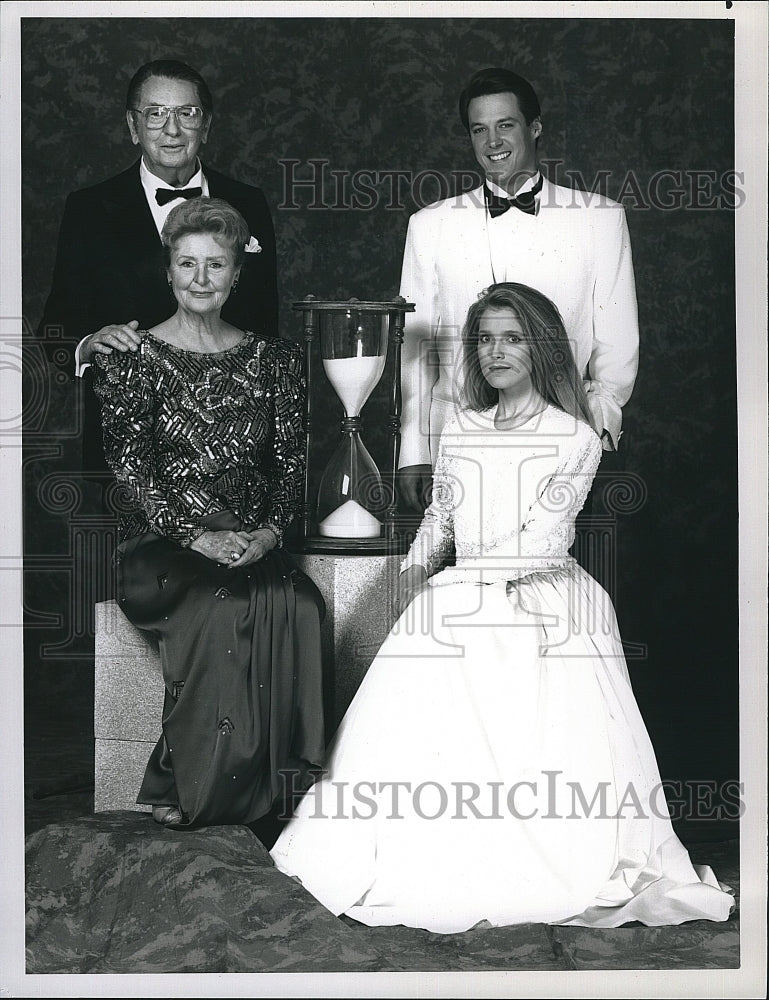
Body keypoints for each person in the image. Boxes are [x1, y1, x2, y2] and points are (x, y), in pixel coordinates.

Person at [269, 283, 733, 932]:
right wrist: (407, 578)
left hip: (536, 590)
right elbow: (441, 517)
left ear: (538, 346)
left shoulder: (572, 436)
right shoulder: (461, 425)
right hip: (463, 584)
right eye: (484, 339)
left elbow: (542, 537)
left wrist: (467, 586)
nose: (495, 351)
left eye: (510, 338)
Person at [92, 197, 322, 834]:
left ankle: (279, 791)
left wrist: (271, 531)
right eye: (186, 263)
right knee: (221, 606)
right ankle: (204, 793)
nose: (199, 278)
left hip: (251, 541)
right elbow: (132, 472)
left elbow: (291, 463)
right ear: (168, 270)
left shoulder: (274, 361)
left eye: (214, 265)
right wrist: (195, 536)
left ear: (235, 276)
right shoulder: (129, 358)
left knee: (301, 604)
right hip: (160, 546)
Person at [398, 67, 639, 512]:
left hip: (563, 443)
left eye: (505, 125)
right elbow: (415, 352)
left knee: (549, 574)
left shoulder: (600, 219)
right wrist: (413, 453)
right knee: (457, 573)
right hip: (456, 444)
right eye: (479, 129)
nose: (493, 142)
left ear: (535, 127)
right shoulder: (428, 226)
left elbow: (617, 347)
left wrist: (594, 430)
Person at [38, 58, 278, 489]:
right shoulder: (89, 209)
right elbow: (53, 330)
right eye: (156, 114)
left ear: (206, 126)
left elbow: (266, 327)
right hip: (125, 458)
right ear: (133, 126)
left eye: (187, 113)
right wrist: (89, 344)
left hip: (232, 452)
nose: (172, 130)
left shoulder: (250, 203)